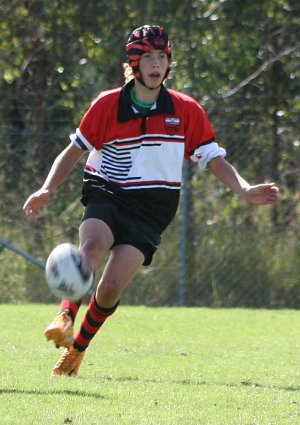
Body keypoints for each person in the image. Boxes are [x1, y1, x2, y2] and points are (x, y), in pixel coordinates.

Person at [23, 25, 280, 377]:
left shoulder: (185, 110)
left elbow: (214, 160)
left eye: (162, 57)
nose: (156, 64)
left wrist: (244, 189)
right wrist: (46, 189)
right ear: (134, 63)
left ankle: (77, 351)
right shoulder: (107, 104)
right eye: (148, 57)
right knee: (93, 246)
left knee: (111, 287)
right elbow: (72, 153)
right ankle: (65, 314)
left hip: (153, 210)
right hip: (107, 192)